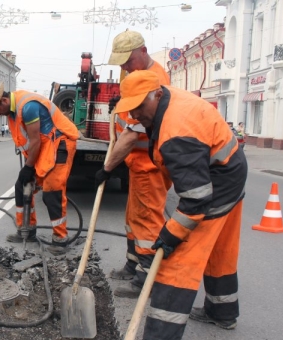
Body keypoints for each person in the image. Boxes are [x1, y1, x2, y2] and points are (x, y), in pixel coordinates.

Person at [115, 70, 247, 339]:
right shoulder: (166, 101)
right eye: (130, 107)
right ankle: (222, 313)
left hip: (217, 183)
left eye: (140, 106)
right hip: (229, 167)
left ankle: (159, 335)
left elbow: (196, 200)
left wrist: (171, 235)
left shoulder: (177, 133)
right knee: (220, 249)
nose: (135, 114)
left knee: (176, 265)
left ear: (158, 94)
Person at [95, 29, 172, 298]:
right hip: (137, 164)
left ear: (143, 51)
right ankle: (133, 263)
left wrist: (107, 168)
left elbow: (131, 135)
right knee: (133, 219)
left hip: (149, 165)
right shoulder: (136, 73)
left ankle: (145, 280)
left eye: (128, 61)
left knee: (148, 222)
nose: (124, 68)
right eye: (121, 63)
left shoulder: (156, 81)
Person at [0, 83, 80, 255]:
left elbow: (35, 140)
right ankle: (26, 230)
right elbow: (27, 141)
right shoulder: (11, 111)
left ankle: (60, 239)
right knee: (21, 186)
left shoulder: (28, 107)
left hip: (59, 142)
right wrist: (28, 168)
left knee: (51, 191)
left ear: (3, 100)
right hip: (43, 146)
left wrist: (29, 167)